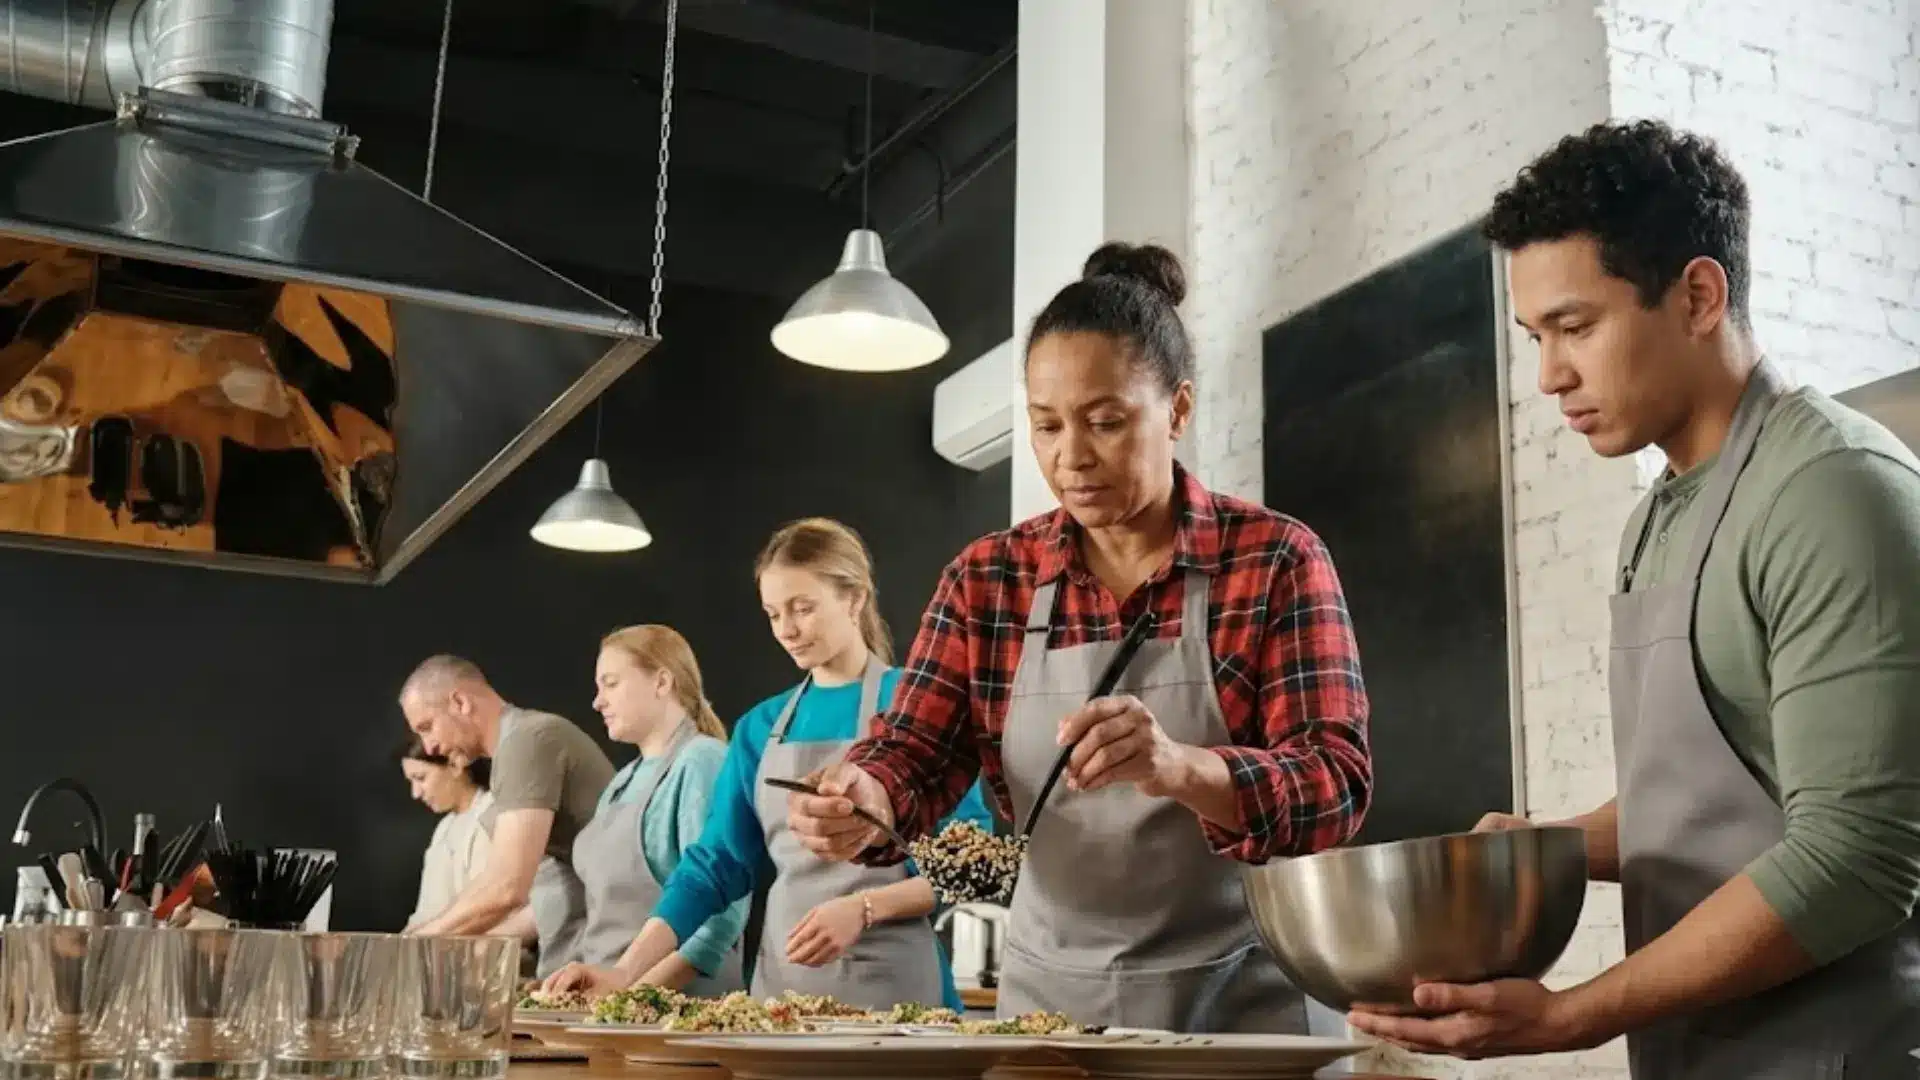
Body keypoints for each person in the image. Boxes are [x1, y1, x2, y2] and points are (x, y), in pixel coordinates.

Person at [1344, 120, 1920, 1077]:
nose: (1548, 375)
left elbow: (1859, 855)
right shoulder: (1658, 514)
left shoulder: (1833, 491)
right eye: (1536, 337)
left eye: (1576, 327)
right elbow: (1711, 799)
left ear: (1698, 296)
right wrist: (1547, 849)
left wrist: (1572, 1016)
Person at [783, 242, 1374, 1033]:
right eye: (1046, 425)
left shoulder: (1273, 560)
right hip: (1053, 1014)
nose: (1071, 457)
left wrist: (1180, 766)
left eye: (1105, 421)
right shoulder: (989, 579)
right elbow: (915, 754)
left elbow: (1334, 785)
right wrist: (868, 794)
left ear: (1180, 410)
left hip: (1245, 1003)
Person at [545, 518, 995, 1012]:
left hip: (898, 995)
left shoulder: (916, 708)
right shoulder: (761, 727)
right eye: (774, 613)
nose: (788, 630)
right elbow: (713, 869)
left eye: (804, 608)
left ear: (855, 599)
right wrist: (623, 974)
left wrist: (864, 909)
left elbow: (966, 867)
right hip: (783, 1000)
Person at [401, 654, 616, 979]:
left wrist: (408, 948)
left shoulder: (526, 741)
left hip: (606, 964)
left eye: (427, 727)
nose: (429, 747)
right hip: (577, 963)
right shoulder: (512, 753)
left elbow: (507, 886)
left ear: (459, 702)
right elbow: (539, 892)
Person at [569, 625, 748, 993]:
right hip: (612, 1005)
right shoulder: (622, 782)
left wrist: (632, 995)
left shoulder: (702, 761)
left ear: (662, 682)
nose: (597, 701)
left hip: (678, 1011)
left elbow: (723, 915)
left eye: (611, 683)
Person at [400, 736, 496, 931]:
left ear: (454, 765)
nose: (415, 793)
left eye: (421, 778)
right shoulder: (445, 827)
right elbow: (428, 911)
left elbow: (489, 907)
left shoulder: (493, 813)